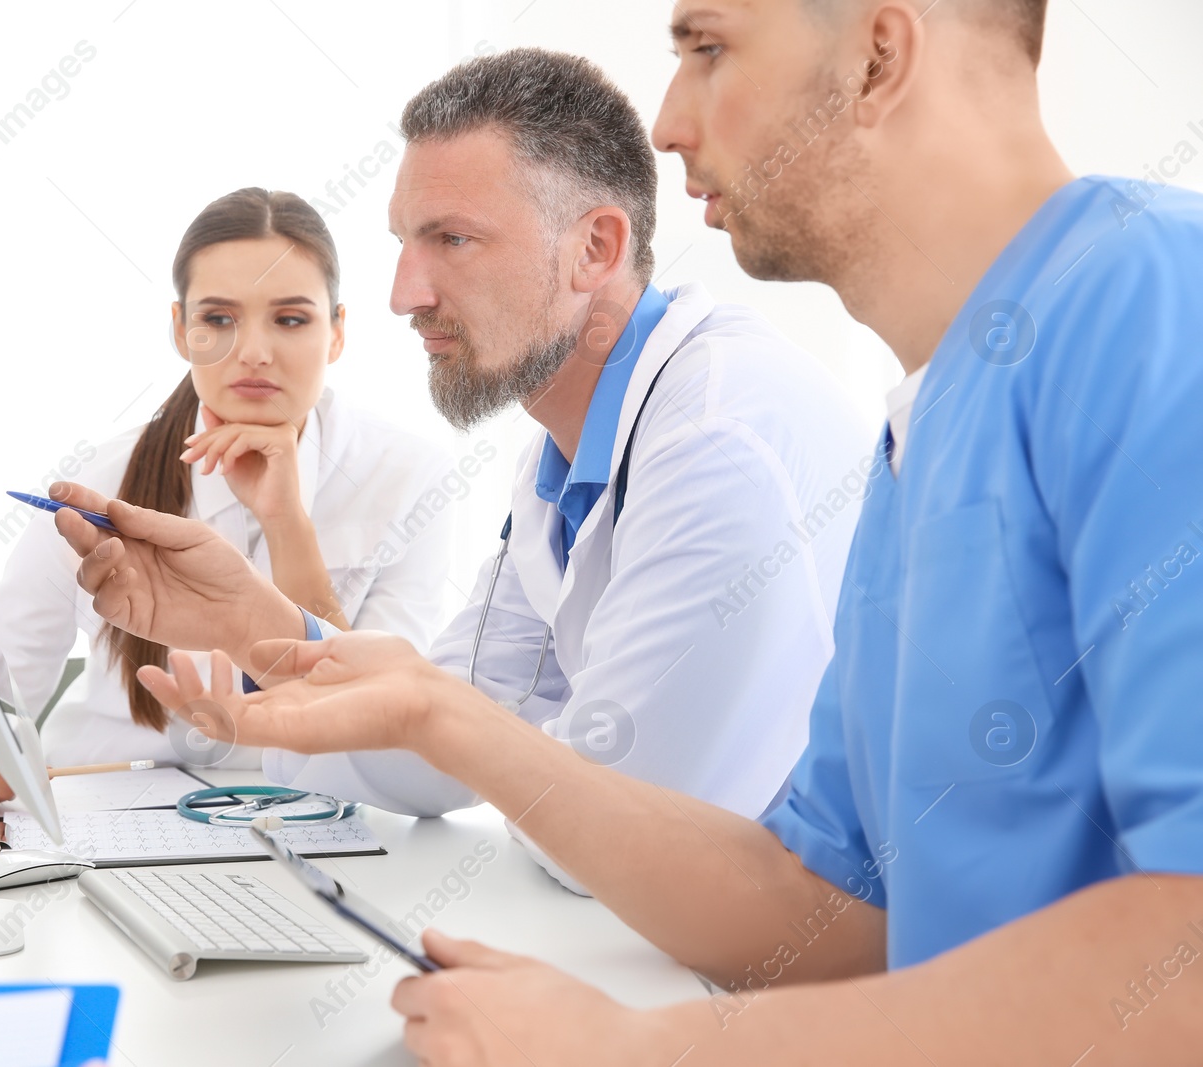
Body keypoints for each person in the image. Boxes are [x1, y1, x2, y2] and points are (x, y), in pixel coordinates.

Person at [107, 2, 1203, 1062]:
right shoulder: (925, 429)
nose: (669, 120)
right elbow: (819, 908)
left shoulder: (1157, 303)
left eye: (708, 48)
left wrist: (635, 1048)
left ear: (877, 57)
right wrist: (434, 709)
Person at [48, 52, 871, 885]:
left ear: (595, 246)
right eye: (406, 242)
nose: (406, 293)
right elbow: (444, 741)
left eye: (453, 239)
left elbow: (606, 838)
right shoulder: (565, 462)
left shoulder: (713, 440)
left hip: (790, 978)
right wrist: (249, 622)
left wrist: (449, 725)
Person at [0, 187, 456, 815]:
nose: (253, 351)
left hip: (317, 821)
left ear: (336, 333)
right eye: (218, 320)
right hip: (117, 810)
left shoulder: (408, 476)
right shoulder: (102, 479)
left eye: (290, 319)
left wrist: (286, 523)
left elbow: (377, 718)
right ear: (181, 331)